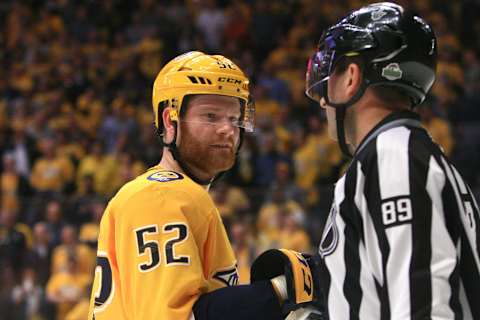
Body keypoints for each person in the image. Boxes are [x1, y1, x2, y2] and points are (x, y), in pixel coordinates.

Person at [88, 51, 323, 320]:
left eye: (234, 118)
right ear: (170, 120)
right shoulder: (163, 195)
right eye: (211, 116)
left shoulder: (175, 195)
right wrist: (280, 291)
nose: (228, 129)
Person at [305, 2, 479, 319]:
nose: (321, 99)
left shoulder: (392, 156)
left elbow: (423, 309)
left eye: (331, 72)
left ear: (351, 77)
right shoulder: (412, 155)